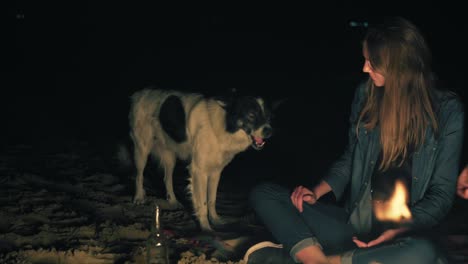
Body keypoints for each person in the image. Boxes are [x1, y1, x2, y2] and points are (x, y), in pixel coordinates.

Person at [245, 17, 465, 264]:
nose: (365, 68)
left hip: (402, 235)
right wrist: (316, 192)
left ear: (400, 67)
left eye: (373, 63)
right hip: (353, 228)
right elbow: (352, 157)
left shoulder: (447, 111)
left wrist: (402, 227)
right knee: (265, 194)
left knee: (422, 252)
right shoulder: (366, 95)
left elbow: (442, 194)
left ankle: (308, 258)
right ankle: (323, 260)